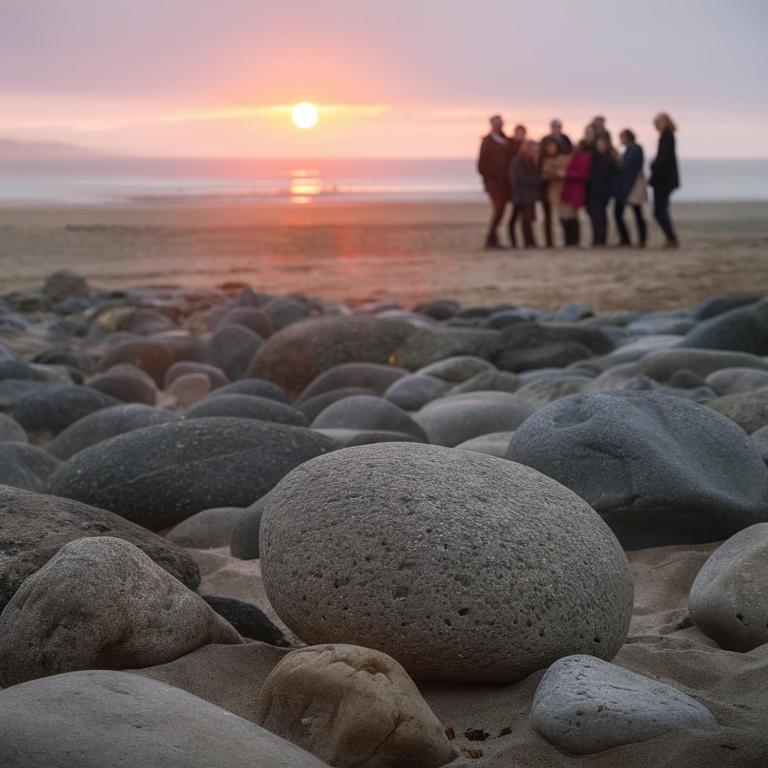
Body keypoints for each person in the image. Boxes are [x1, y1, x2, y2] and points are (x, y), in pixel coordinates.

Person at [477, 115, 511, 249]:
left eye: (500, 123)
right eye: (496, 123)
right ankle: (491, 239)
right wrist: (490, 179)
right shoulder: (487, 141)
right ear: (491, 124)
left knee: (501, 210)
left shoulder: (506, 140)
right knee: (499, 209)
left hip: (505, 183)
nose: (499, 126)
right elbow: (481, 165)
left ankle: (493, 239)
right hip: (493, 183)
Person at [649, 112, 680, 248]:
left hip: (663, 180)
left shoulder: (667, 136)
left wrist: (654, 164)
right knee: (661, 210)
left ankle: (671, 238)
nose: (656, 126)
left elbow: (665, 157)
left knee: (659, 211)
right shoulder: (667, 136)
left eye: (658, 123)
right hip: (664, 179)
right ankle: (671, 238)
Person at [614, 129, 648, 247]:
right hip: (626, 186)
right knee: (629, 214)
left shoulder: (634, 149)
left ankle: (638, 240)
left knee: (635, 213)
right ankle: (629, 239)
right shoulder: (630, 150)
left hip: (632, 186)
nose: (621, 140)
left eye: (622, 137)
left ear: (628, 138)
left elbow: (628, 169)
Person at [508, 140, 541, 248]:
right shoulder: (520, 160)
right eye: (533, 150)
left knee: (526, 219)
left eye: (537, 150)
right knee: (523, 219)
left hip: (528, 195)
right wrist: (538, 179)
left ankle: (529, 242)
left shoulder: (533, 161)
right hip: (521, 195)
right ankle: (526, 242)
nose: (535, 152)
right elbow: (519, 178)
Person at [560, 138, 592, 247]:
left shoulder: (583, 157)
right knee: (569, 217)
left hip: (575, 190)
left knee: (571, 217)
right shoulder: (576, 157)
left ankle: (573, 241)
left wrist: (566, 175)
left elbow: (583, 174)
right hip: (570, 189)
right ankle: (571, 241)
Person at [586, 133, 616, 246]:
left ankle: (601, 238)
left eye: (603, 143)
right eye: (599, 143)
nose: (601, 146)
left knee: (601, 214)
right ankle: (596, 237)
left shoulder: (609, 158)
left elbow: (611, 176)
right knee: (593, 214)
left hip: (603, 191)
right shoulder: (593, 156)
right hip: (591, 190)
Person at [540, 138, 570, 246]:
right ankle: (549, 242)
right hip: (547, 192)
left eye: (553, 146)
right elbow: (545, 174)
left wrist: (553, 171)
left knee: (564, 216)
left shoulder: (563, 158)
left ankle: (567, 241)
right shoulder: (543, 159)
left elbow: (563, 173)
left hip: (560, 191)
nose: (551, 149)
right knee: (548, 218)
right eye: (549, 147)